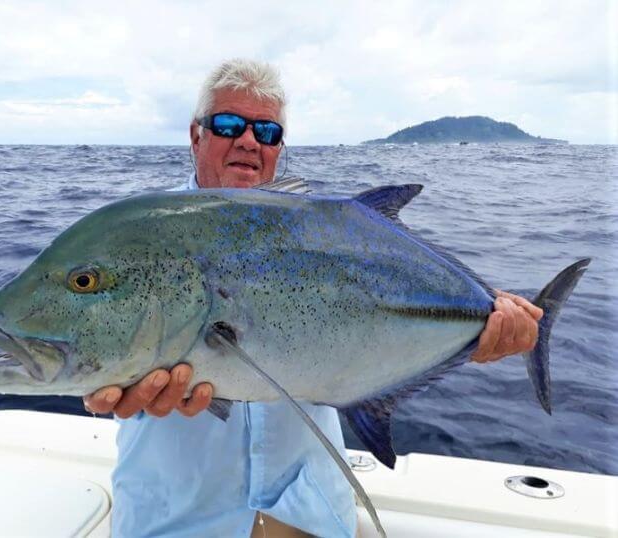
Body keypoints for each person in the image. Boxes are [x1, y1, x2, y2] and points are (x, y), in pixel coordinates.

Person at [85, 59, 543, 537]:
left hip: (307, 509)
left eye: (267, 131)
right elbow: (93, 350)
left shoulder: (328, 234)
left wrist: (482, 326)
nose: (248, 141)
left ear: (279, 148)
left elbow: (391, 317)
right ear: (196, 136)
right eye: (227, 125)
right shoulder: (141, 240)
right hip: (178, 519)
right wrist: (112, 388)